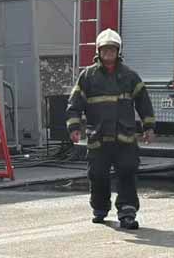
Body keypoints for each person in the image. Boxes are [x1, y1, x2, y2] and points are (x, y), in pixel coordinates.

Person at [66, 28, 156, 230]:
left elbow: (144, 102)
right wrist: (73, 127)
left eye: (112, 50)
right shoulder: (87, 76)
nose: (108, 54)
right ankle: (100, 208)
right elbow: (74, 105)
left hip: (124, 139)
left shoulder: (130, 77)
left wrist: (148, 127)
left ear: (118, 51)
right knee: (97, 174)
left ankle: (127, 213)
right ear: (98, 51)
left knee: (127, 172)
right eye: (105, 50)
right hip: (98, 138)